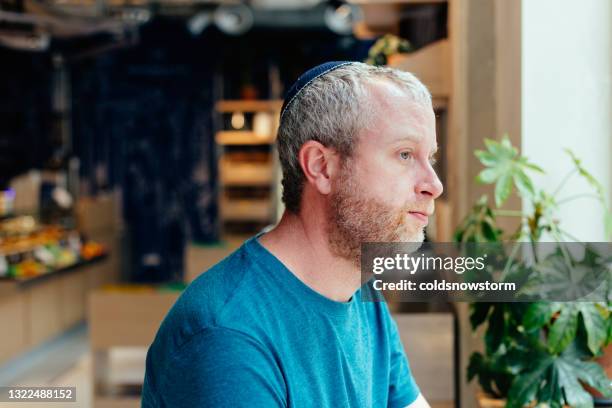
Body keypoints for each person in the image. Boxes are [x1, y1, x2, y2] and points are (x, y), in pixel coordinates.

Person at [142, 61, 443, 408]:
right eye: (404, 154)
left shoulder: (361, 294)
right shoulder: (228, 337)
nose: (433, 185)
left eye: (429, 158)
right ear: (321, 166)